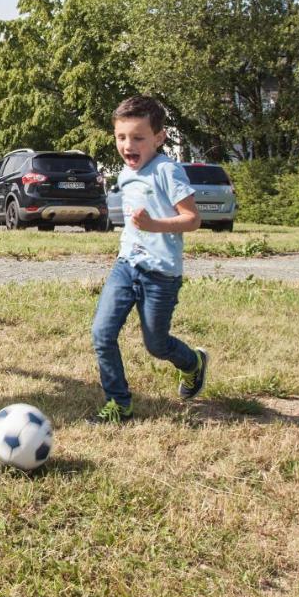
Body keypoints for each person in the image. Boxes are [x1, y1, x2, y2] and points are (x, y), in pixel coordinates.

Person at [91, 96, 208, 423]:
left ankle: (192, 363)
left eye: (138, 137)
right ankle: (119, 404)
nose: (128, 145)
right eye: (121, 137)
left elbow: (193, 219)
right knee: (102, 333)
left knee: (156, 345)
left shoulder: (168, 171)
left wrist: (155, 226)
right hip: (126, 267)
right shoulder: (126, 174)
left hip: (161, 275)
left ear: (159, 137)